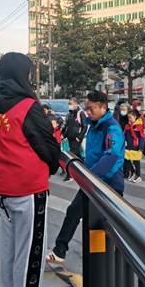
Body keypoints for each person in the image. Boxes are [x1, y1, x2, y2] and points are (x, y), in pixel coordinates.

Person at [0, 52, 60, 287]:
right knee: (30, 251)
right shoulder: (27, 106)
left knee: (9, 247)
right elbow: (48, 146)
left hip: (3, 187)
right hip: (29, 188)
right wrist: (51, 166)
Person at [47, 91, 124, 265]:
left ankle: (112, 258)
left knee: (108, 222)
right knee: (74, 212)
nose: (88, 112)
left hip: (108, 182)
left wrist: (91, 176)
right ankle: (60, 251)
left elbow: (112, 156)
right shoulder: (94, 125)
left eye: (91, 108)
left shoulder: (111, 127)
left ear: (103, 107)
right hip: (92, 181)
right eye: (86, 108)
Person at [62, 98, 87, 182]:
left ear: (76, 104)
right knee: (75, 155)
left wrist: (79, 137)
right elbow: (66, 126)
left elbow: (85, 126)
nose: (69, 105)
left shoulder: (80, 113)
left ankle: (70, 175)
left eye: (71, 103)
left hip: (75, 139)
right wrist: (63, 135)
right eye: (69, 103)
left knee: (72, 156)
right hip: (68, 138)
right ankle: (84, 171)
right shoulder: (70, 114)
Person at [124, 110, 145, 183]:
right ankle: (133, 172)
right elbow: (124, 135)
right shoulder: (127, 126)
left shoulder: (139, 126)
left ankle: (138, 176)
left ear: (135, 117)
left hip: (136, 146)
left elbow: (142, 137)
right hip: (128, 146)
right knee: (126, 160)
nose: (129, 119)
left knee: (136, 162)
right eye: (128, 117)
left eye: (130, 117)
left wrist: (141, 147)